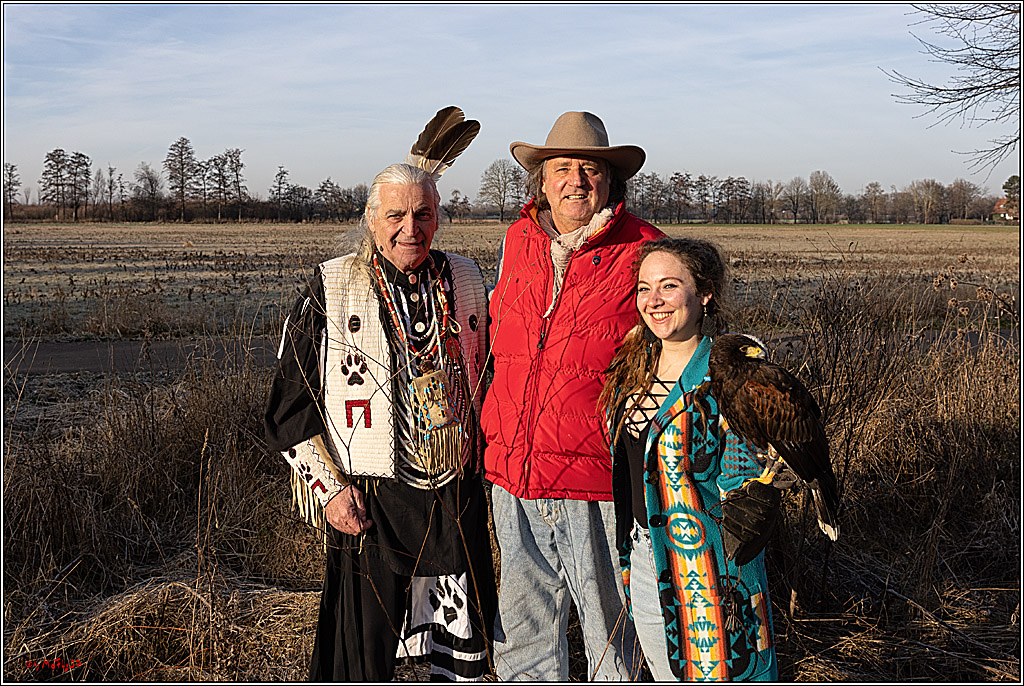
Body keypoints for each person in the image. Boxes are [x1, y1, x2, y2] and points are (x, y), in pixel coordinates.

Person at [264, 162, 497, 681]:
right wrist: (328, 490)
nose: (409, 228)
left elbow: (492, 375)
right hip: (370, 498)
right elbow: (288, 405)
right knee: (365, 651)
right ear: (371, 219)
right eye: (395, 214)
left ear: (439, 218)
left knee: (455, 649)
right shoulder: (333, 284)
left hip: (451, 493)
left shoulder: (466, 278)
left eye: (423, 213)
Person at [481, 111, 665, 680]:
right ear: (542, 180)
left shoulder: (645, 251)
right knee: (521, 639)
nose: (576, 181)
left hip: (598, 482)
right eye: (562, 168)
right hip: (513, 475)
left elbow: (676, 357)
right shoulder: (519, 241)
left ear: (612, 182)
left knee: (614, 640)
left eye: (590, 169)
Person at [597, 237, 780, 681]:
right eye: (644, 288)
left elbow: (748, 483)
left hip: (711, 566)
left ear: (705, 294)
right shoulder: (631, 369)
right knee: (664, 672)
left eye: (669, 286)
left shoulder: (730, 376)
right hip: (643, 555)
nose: (654, 301)